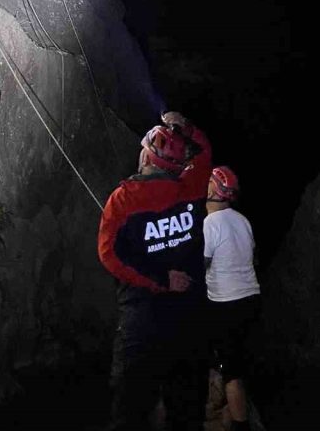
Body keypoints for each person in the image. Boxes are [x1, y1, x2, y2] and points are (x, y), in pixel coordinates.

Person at [98, 112, 212, 431]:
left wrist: (159, 280)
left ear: (146, 155)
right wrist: (187, 126)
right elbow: (204, 152)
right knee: (187, 409)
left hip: (142, 320)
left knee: (129, 410)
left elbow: (109, 255)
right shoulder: (192, 187)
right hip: (188, 318)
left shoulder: (122, 201)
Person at [204, 166, 260, 431]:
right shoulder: (243, 220)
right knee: (235, 360)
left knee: (231, 372)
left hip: (226, 304)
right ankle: (229, 413)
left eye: (208, 182)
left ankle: (239, 425)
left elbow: (201, 267)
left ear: (216, 189)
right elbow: (252, 257)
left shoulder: (210, 223)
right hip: (251, 298)